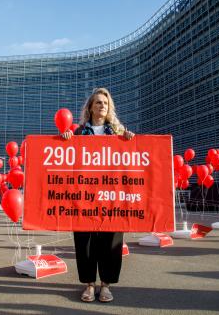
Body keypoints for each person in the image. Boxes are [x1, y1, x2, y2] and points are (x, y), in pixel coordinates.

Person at [61, 87, 134, 303]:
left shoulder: (119, 133)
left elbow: (131, 160)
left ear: (109, 108)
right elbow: (68, 159)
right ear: (90, 108)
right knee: (85, 241)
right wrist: (66, 139)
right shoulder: (79, 133)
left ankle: (106, 285)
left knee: (111, 241)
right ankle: (89, 285)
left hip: (112, 197)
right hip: (84, 196)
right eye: (98, 103)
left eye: (105, 103)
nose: (102, 106)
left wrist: (131, 141)